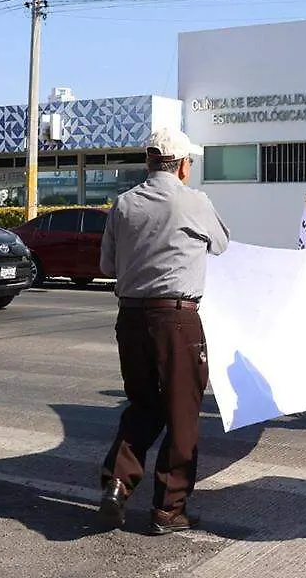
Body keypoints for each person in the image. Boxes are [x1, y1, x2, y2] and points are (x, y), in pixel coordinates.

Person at [98, 128, 229, 535]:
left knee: (143, 405)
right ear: (184, 166)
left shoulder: (123, 203)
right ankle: (168, 509)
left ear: (149, 162)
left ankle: (117, 483)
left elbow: (107, 267)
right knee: (182, 413)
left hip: (131, 317)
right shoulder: (194, 201)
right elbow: (222, 244)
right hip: (176, 318)